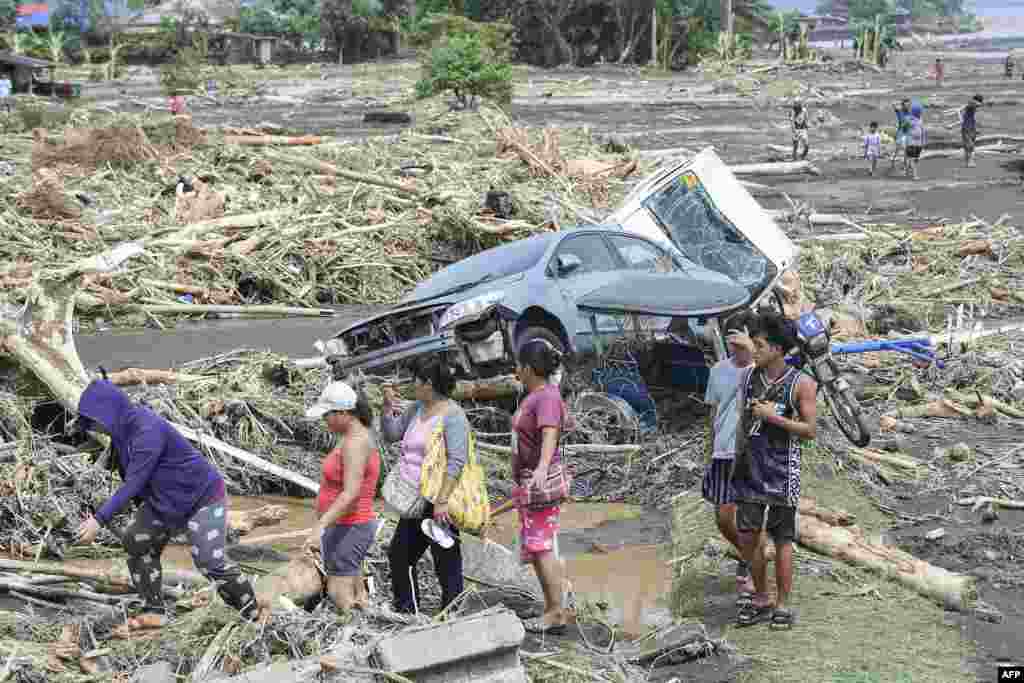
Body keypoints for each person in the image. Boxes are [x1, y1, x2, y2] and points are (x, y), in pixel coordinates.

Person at [74, 380, 266, 634]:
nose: (93, 428)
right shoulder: (120, 432)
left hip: (202, 497)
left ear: (108, 414)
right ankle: (153, 610)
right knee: (136, 540)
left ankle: (253, 614)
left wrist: (98, 520)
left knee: (210, 561)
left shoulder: (146, 430)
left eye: (93, 421)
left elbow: (134, 482)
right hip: (163, 501)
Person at [733, 313, 817, 631]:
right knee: (749, 536)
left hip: (783, 470)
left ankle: (782, 604)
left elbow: (809, 430)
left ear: (779, 349)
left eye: (760, 345)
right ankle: (761, 598)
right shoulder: (749, 378)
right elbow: (743, 421)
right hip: (750, 468)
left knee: (782, 538)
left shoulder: (802, 383)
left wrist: (773, 417)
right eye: (753, 344)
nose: (754, 350)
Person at [490, 339, 571, 635]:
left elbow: (550, 432)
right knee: (537, 547)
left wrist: (540, 468)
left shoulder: (546, 397)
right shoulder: (535, 395)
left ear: (527, 368)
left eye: (518, 365)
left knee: (542, 547)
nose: (516, 370)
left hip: (541, 480)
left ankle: (556, 612)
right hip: (530, 480)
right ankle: (552, 607)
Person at [381, 357, 472, 615]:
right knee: (400, 556)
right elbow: (391, 434)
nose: (413, 386)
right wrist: (387, 408)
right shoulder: (416, 409)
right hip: (415, 497)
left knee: (446, 560)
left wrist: (442, 500)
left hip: (439, 499)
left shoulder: (453, 416)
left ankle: (451, 615)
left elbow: (457, 460)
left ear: (428, 384)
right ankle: (407, 611)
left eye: (416, 382)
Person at [304, 381, 381, 611]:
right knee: (356, 592)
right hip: (348, 526)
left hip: (349, 526)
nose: (324, 420)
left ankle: (353, 638)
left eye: (327, 415)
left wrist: (320, 526)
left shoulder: (355, 443)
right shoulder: (354, 436)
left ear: (344, 413)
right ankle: (364, 629)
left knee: (338, 592)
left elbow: (351, 494)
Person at [701, 311, 759, 606]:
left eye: (741, 341)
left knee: (747, 517)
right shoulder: (718, 371)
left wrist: (752, 355)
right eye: (731, 341)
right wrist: (709, 451)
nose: (735, 348)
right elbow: (713, 413)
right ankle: (749, 556)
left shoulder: (761, 371)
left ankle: (749, 568)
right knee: (723, 519)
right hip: (722, 452)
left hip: (750, 454)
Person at [960, 94, 983, 169]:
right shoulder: (971, 104)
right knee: (969, 146)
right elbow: (975, 104)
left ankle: (969, 162)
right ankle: (969, 162)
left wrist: (977, 128)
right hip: (967, 128)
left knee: (970, 146)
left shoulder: (972, 106)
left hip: (971, 128)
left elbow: (974, 117)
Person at [906, 101, 926, 180]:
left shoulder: (920, 120)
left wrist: (923, 141)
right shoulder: (909, 119)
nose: (921, 113)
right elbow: (906, 125)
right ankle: (915, 175)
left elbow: (923, 130)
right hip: (911, 142)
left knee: (915, 159)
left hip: (918, 143)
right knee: (913, 159)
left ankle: (908, 169)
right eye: (919, 111)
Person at [890, 99, 911, 172]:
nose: (908, 106)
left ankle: (905, 164)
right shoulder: (899, 111)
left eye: (909, 104)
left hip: (908, 133)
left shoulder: (910, 113)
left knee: (906, 149)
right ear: (903, 105)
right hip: (900, 132)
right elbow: (893, 104)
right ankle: (893, 159)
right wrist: (899, 103)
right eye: (906, 104)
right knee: (898, 148)